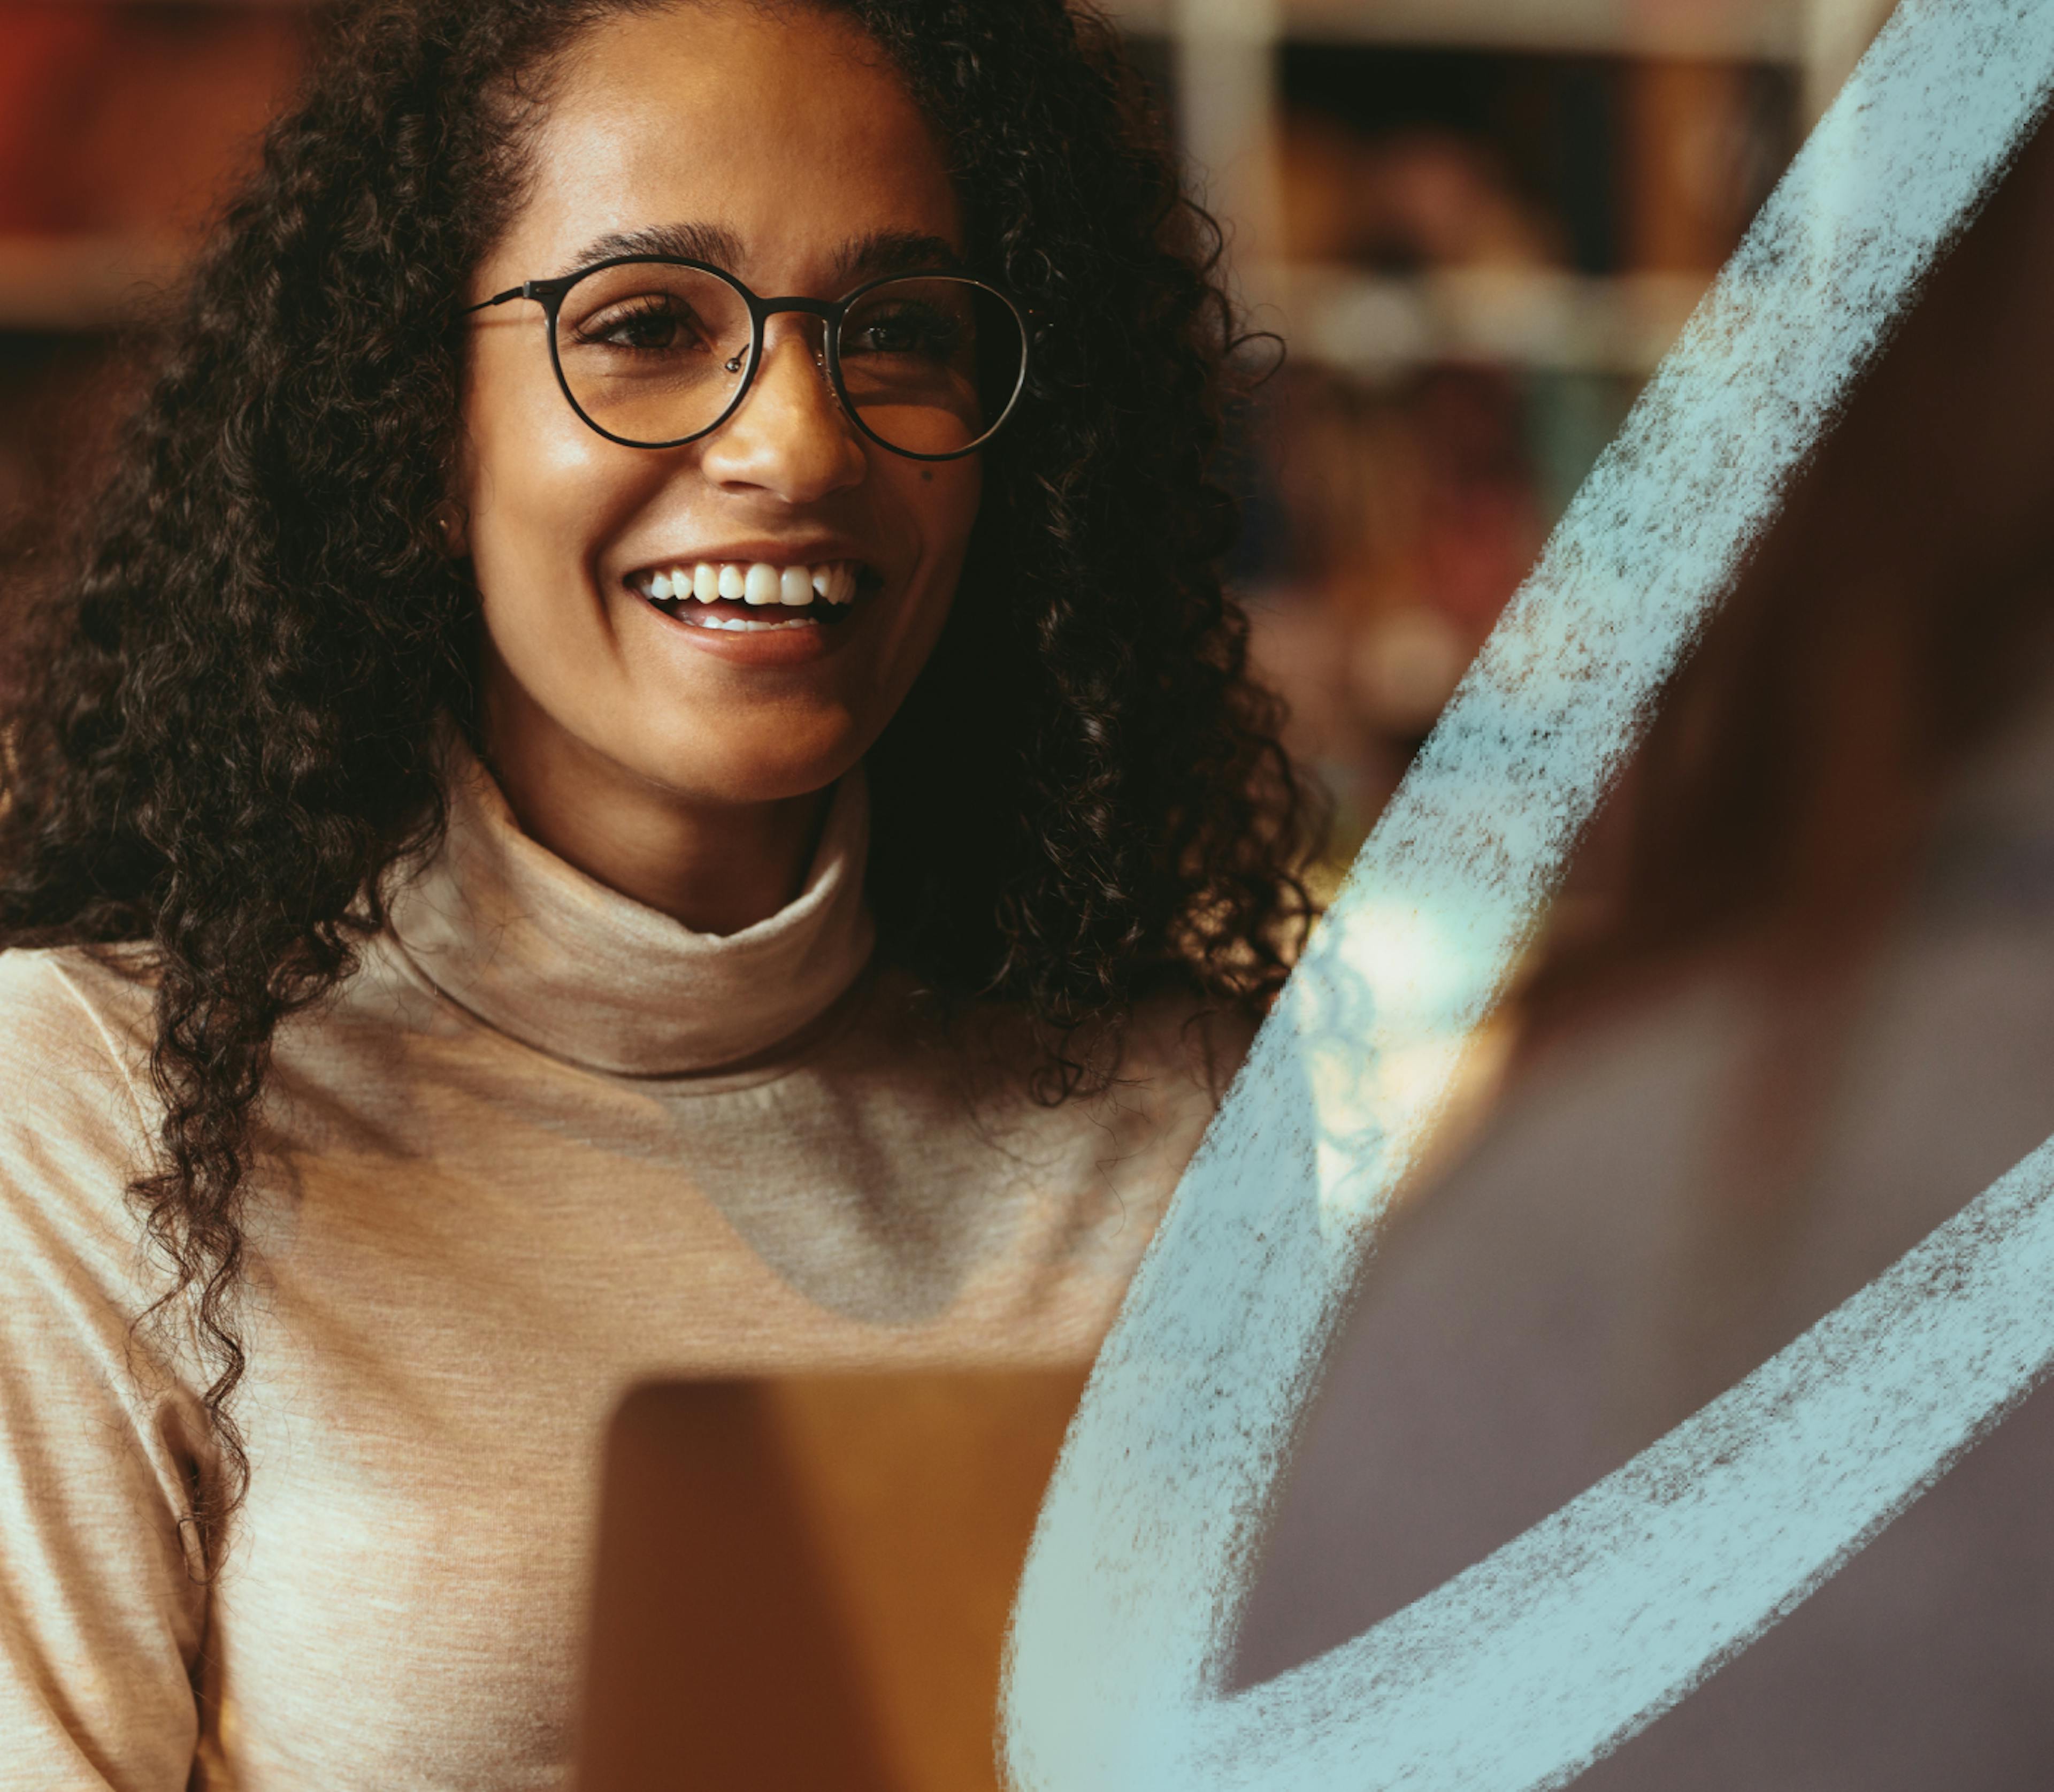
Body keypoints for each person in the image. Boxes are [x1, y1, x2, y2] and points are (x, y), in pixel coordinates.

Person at [0, 2, 1321, 1783]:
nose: (799, 442)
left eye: (902, 335)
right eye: (640, 326)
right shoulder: (93, 1117)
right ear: (414, 421)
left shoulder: (1197, 1120)